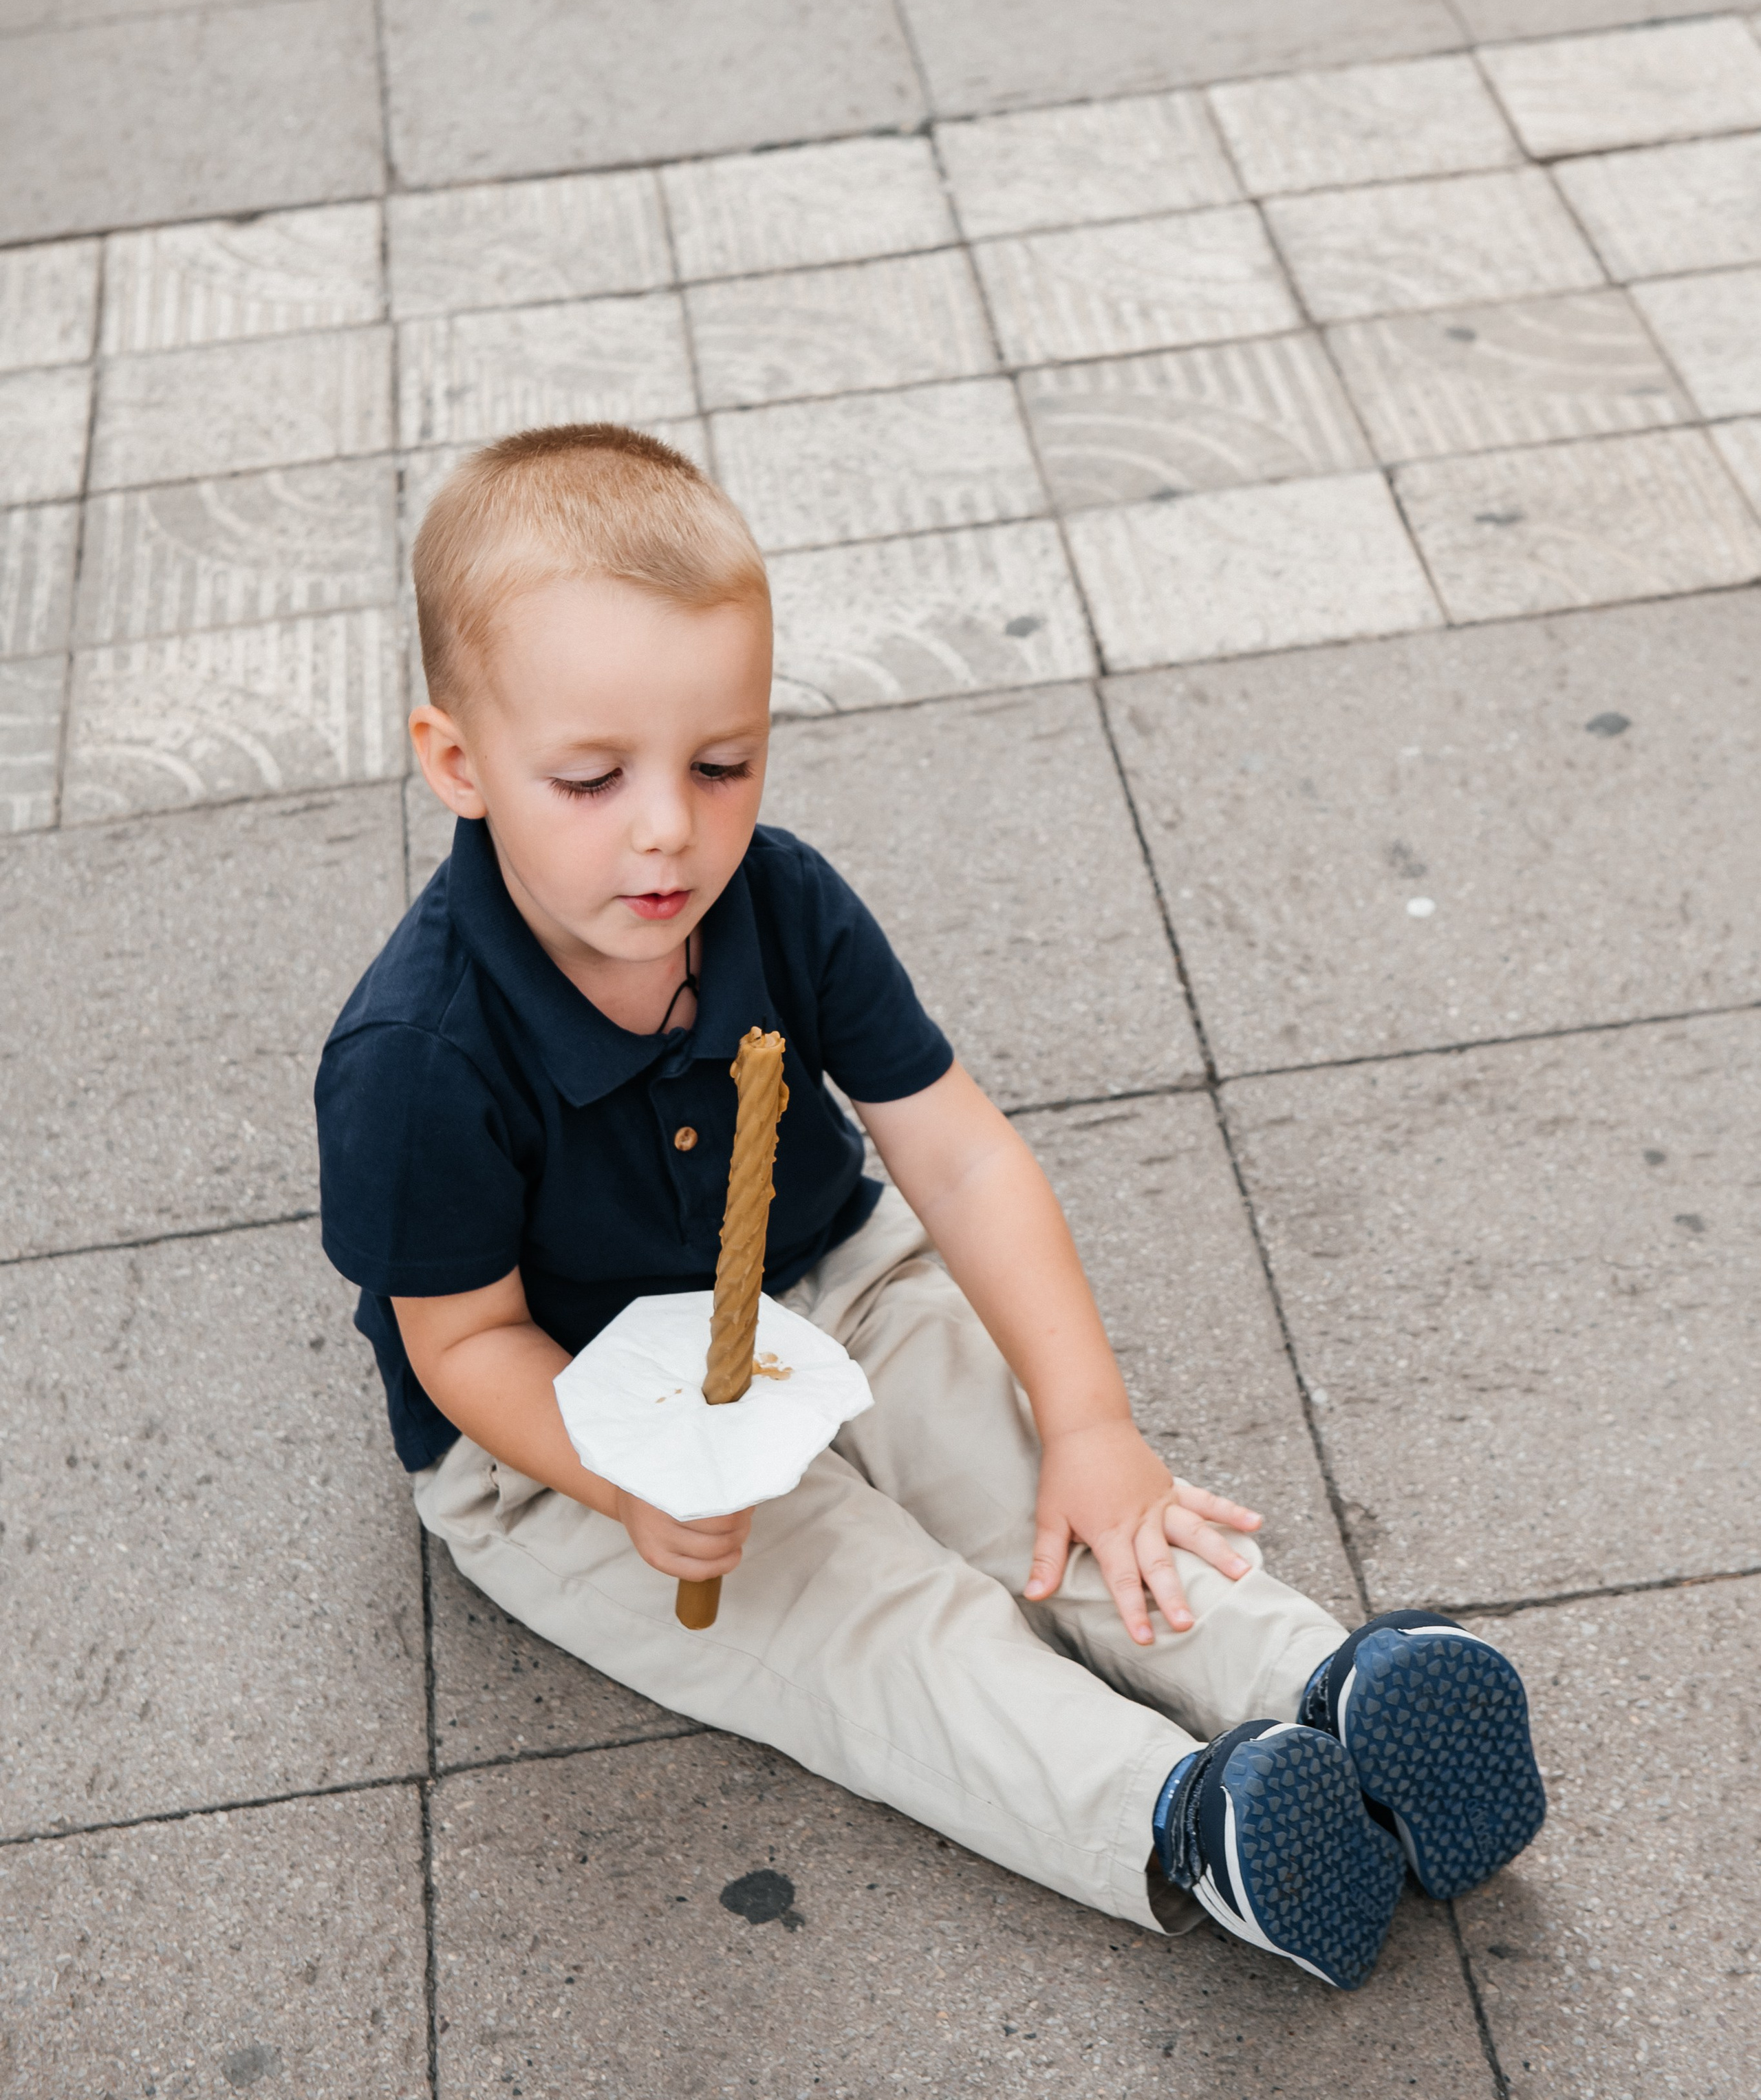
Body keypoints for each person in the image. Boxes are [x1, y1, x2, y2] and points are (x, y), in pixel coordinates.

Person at [316, 423, 1544, 1989]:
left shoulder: (777, 895)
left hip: (822, 1280)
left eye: (721, 762)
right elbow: (463, 1339)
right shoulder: (415, 1060)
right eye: (588, 776)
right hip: (561, 1432)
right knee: (870, 1625)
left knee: (1047, 1492)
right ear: (455, 762)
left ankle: (1323, 1683)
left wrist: (1088, 1416)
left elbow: (953, 1153)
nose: (668, 831)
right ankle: (1186, 1822)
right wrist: (627, 1480)